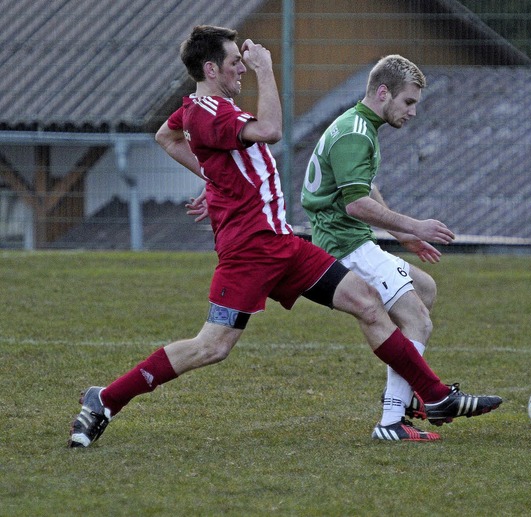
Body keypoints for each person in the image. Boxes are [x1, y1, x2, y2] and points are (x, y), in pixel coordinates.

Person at [68, 26, 499, 448]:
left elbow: (167, 135)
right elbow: (271, 130)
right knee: (211, 346)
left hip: (283, 244)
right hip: (249, 254)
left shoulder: (198, 109)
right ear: (211, 69)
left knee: (367, 302)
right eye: (235, 62)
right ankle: (104, 399)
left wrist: (217, 179)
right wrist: (266, 70)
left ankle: (436, 396)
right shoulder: (211, 111)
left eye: (244, 62)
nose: (242, 68)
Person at [300, 54, 502, 440]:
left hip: (350, 241)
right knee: (418, 320)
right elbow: (355, 203)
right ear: (382, 92)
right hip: (347, 248)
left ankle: (406, 396)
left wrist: (403, 236)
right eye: (408, 102)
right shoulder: (357, 133)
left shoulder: (359, 125)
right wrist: (414, 225)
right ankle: (393, 419)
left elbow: (361, 188)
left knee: (424, 289)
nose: (412, 112)